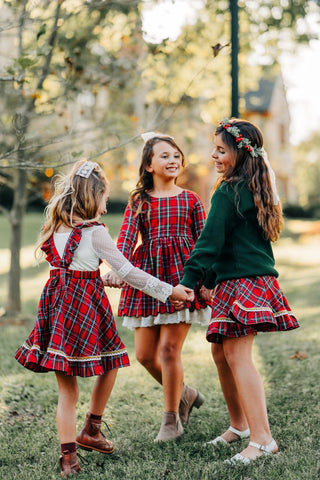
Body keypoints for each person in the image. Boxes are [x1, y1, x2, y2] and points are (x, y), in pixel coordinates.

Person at [15, 160, 192, 477]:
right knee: (110, 362)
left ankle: (69, 458)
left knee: (67, 391)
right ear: (92, 196)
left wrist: (101, 275)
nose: (107, 203)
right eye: (104, 197)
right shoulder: (95, 232)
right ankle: (92, 427)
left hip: (56, 304)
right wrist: (170, 291)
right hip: (86, 305)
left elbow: (70, 265)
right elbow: (129, 272)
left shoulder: (54, 228)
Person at [179, 118, 299, 464]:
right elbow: (230, 242)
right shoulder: (252, 186)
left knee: (238, 356)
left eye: (220, 150)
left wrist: (188, 282)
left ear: (239, 153)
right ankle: (240, 426)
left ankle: (263, 440)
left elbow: (209, 242)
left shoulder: (229, 190)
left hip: (245, 281)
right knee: (222, 353)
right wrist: (209, 282)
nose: (213, 155)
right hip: (240, 280)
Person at [105, 132, 211, 442]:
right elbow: (125, 239)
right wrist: (117, 269)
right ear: (149, 165)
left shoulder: (190, 199)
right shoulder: (139, 200)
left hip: (182, 279)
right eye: (164, 155)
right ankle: (185, 393)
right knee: (143, 354)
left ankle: (171, 420)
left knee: (167, 351)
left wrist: (204, 282)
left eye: (176, 155)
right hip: (147, 281)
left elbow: (203, 244)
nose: (173, 160)